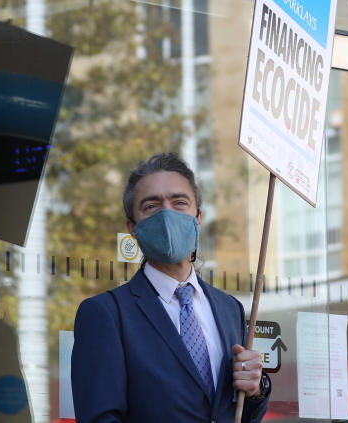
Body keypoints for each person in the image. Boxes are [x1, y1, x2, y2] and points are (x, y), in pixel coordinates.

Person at [72, 152, 271, 423]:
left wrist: (256, 389)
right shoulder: (106, 314)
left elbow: (239, 414)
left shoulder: (229, 310)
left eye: (179, 202)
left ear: (198, 217)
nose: (167, 214)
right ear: (133, 227)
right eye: (151, 206)